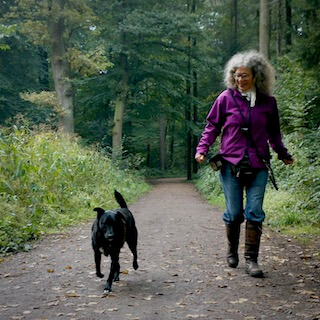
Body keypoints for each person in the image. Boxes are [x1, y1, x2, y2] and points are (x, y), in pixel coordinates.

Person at [195, 50, 294, 277]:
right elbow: (212, 127)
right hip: (231, 164)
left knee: (255, 211)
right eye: (237, 75)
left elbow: (274, 135)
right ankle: (232, 251)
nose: (240, 80)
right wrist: (201, 150)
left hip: (259, 164)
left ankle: (252, 260)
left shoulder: (268, 102)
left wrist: (283, 153)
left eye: (245, 75)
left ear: (256, 76)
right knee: (234, 213)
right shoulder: (225, 98)